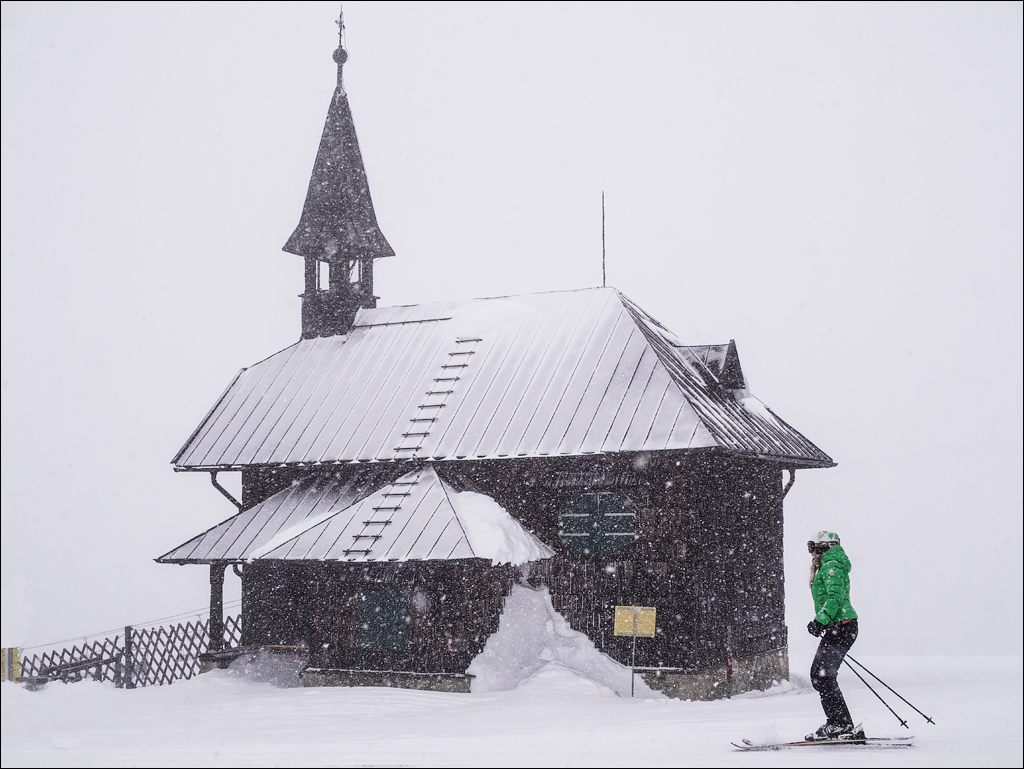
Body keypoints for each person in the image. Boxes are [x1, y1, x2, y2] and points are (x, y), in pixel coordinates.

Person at [805, 530, 862, 741]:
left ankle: (840, 724)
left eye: (813, 547)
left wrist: (820, 620)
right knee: (821, 675)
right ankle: (840, 723)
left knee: (822, 675)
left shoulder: (832, 565)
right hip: (838, 626)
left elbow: (835, 597)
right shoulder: (828, 565)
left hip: (843, 626)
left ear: (823, 547)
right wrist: (823, 621)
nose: (810, 553)